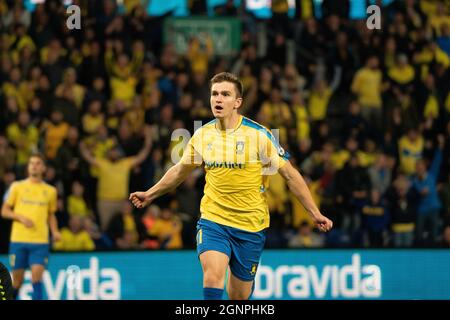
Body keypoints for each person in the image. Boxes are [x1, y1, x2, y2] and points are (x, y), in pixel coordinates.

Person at [129, 72, 333, 300]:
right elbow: (179, 171)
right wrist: (150, 193)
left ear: (238, 102)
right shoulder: (202, 135)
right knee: (213, 277)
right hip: (213, 221)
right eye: (214, 94)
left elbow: (290, 175)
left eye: (225, 94)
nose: (218, 99)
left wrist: (314, 212)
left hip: (250, 226)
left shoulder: (259, 135)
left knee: (238, 297)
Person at [1, 153, 61, 300]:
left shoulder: (51, 191)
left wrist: (55, 231)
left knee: (36, 277)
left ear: (43, 168)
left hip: (40, 241)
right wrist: (20, 217)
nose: (34, 165)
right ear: (28, 167)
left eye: (38, 163)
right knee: (17, 281)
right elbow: (4, 211)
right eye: (31, 163)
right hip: (18, 240)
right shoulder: (17, 186)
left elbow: (51, 214)